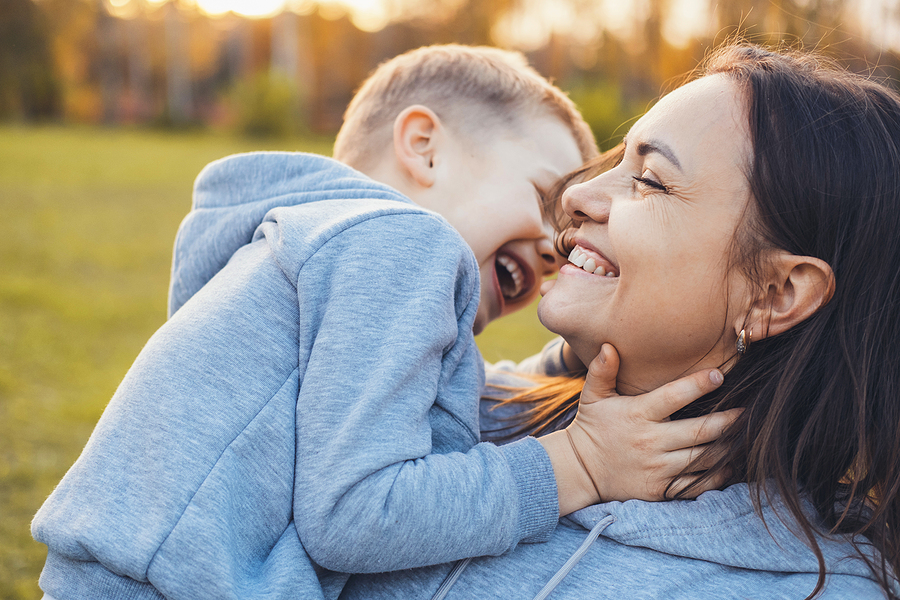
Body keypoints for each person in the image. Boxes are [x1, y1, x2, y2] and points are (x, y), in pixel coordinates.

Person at [31, 45, 733, 600]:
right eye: (544, 194)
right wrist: (579, 463)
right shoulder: (403, 243)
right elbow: (359, 513)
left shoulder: (298, 245)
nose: (560, 240)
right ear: (424, 147)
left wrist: (564, 369)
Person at [338, 43, 900, 600]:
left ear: (775, 294)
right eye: (617, 163)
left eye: (650, 181)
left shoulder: (805, 589)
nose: (575, 195)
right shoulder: (446, 414)